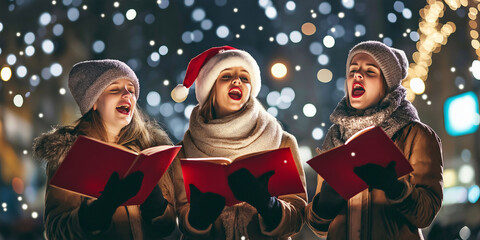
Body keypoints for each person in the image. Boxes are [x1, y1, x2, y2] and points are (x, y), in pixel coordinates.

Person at [305, 41, 444, 239]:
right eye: (353, 70)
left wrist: (394, 188)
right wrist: (325, 203)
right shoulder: (334, 138)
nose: (357, 75)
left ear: (387, 84)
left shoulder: (415, 135)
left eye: (370, 72)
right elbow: (318, 227)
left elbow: (426, 213)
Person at [170, 46, 307, 239]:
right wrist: (197, 219)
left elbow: (298, 213)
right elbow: (182, 215)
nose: (237, 81)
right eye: (226, 76)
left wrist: (270, 206)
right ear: (210, 89)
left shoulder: (282, 141)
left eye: (245, 77)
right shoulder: (184, 150)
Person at [33, 59, 177, 239]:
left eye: (131, 90)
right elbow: (56, 230)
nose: (127, 95)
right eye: (115, 89)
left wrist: (156, 207)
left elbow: (169, 227)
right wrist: (100, 210)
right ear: (93, 102)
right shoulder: (70, 154)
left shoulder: (150, 150)